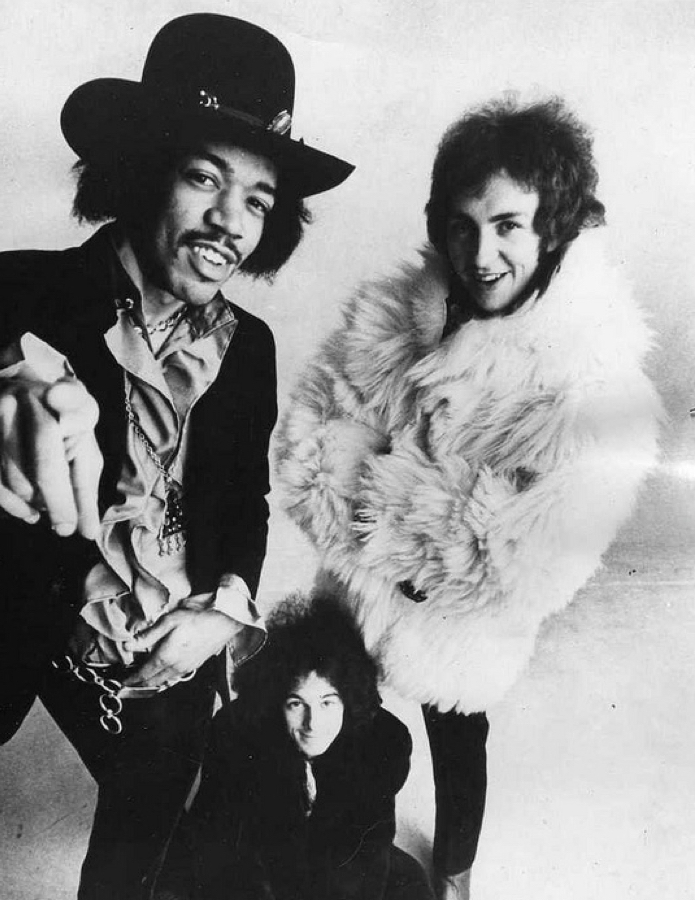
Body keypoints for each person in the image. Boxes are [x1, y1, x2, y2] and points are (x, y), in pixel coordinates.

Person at [0, 14, 353, 900]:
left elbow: (243, 501)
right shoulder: (5, 287)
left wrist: (226, 611)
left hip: (188, 626)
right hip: (56, 623)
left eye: (259, 200)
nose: (231, 222)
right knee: (158, 810)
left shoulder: (251, 346)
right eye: (204, 177)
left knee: (215, 812)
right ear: (143, 169)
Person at [275, 96, 662, 899]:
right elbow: (310, 435)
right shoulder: (398, 311)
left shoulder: (597, 379)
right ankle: (354, 855)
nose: (481, 255)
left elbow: (521, 562)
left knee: (458, 745)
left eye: (508, 225)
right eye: (462, 226)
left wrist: (376, 491)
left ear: (554, 227)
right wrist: (419, 510)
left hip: (462, 629)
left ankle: (455, 870)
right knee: (343, 724)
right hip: (357, 591)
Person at [157, 594, 433, 900]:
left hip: (338, 869)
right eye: (296, 703)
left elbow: (365, 855)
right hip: (261, 866)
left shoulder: (383, 741)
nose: (312, 723)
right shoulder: (233, 733)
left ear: (348, 698)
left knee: (412, 884)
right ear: (276, 700)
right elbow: (221, 848)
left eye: (327, 702)